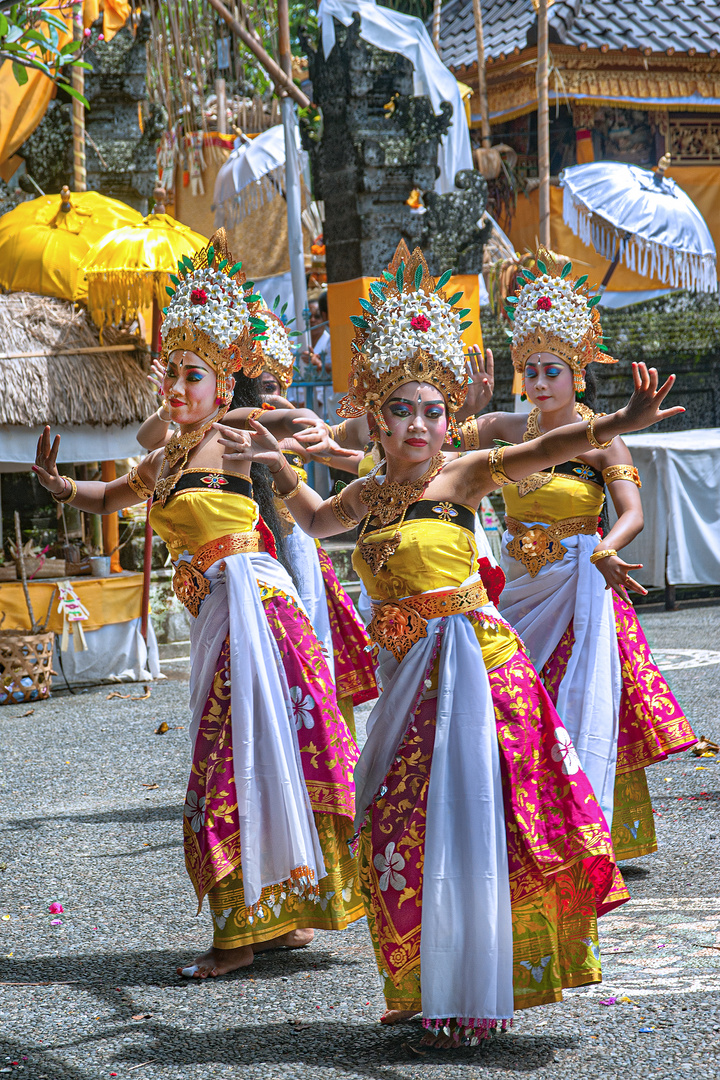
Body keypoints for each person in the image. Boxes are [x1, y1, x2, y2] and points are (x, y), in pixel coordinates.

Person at [214, 240, 684, 1046]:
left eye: (433, 410)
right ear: (377, 415)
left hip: (479, 680)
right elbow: (325, 524)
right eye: (403, 410)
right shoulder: (369, 488)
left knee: (472, 824)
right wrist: (274, 468)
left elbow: (543, 449)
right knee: (403, 830)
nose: (422, 425)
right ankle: (437, 980)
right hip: (407, 680)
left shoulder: (463, 475)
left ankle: (479, 992)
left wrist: (618, 424)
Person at [32, 229, 363, 978]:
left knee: (236, 762)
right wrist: (60, 488)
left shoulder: (237, 432)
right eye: (171, 376)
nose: (178, 389)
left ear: (221, 383)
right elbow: (108, 494)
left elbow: (302, 430)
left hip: (263, 617)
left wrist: (335, 438)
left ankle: (240, 934)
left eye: (193, 376)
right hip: (218, 617)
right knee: (241, 760)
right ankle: (273, 917)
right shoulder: (163, 459)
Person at [460, 249, 696, 858]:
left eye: (552, 372)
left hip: (578, 582)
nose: (539, 384)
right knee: (513, 701)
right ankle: (525, 824)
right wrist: (462, 405)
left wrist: (605, 553)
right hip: (515, 588)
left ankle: (591, 825)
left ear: (578, 375)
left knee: (577, 699)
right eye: (530, 371)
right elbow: (435, 458)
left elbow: (633, 513)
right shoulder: (501, 431)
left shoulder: (603, 438)